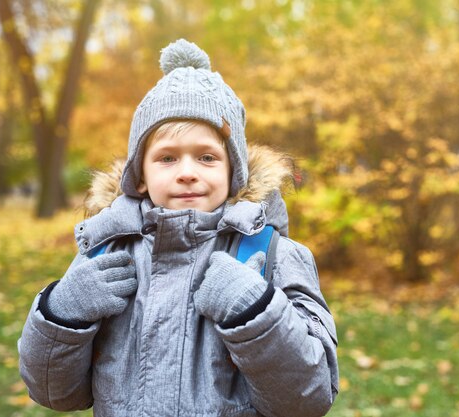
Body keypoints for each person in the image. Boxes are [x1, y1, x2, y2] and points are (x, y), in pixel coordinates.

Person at [18, 39, 338, 417]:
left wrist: (256, 312)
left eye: (206, 157)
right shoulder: (104, 254)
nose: (187, 172)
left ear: (233, 172)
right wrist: (63, 312)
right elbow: (55, 394)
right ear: (139, 177)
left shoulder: (272, 255)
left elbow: (307, 398)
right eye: (167, 158)